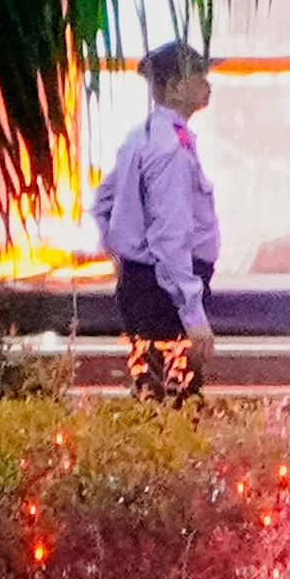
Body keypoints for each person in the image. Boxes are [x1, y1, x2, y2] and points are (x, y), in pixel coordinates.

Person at [92, 38, 221, 406]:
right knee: (176, 402)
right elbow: (170, 237)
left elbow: (102, 202)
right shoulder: (171, 149)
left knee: (149, 394)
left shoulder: (141, 136)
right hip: (165, 296)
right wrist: (193, 313)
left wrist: (122, 253)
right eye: (199, 76)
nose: (207, 84)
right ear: (177, 87)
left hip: (141, 283)